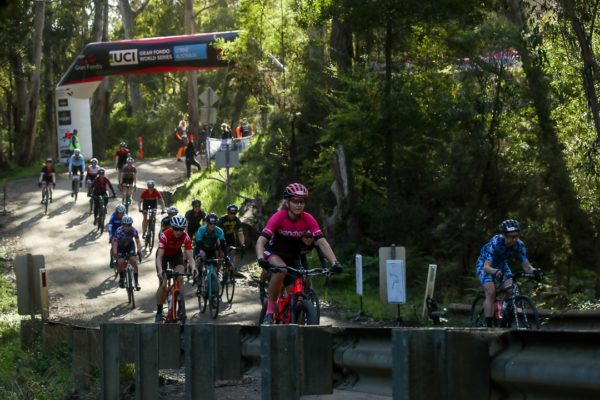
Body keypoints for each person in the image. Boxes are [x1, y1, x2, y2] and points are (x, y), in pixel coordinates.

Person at [255, 183, 342, 324]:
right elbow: (260, 241)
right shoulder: (278, 217)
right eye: (295, 201)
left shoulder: (308, 219)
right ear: (287, 202)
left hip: (293, 257)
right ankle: (269, 313)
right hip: (273, 253)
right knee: (281, 270)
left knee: (296, 296)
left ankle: (295, 324)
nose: (298, 205)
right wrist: (260, 258)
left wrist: (334, 262)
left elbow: (322, 242)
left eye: (302, 202)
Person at [475, 219, 539, 328]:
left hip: (501, 265)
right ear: (504, 235)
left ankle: (501, 309)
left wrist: (535, 272)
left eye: (516, 236)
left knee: (509, 289)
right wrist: (495, 272)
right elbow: (486, 267)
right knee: (491, 292)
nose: (514, 239)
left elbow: (526, 266)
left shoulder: (519, 245)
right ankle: (488, 326)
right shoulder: (496, 242)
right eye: (511, 237)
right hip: (485, 265)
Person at [155, 215, 197, 322]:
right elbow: (159, 257)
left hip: (176, 255)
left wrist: (194, 268)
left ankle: (181, 307)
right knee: (163, 284)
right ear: (172, 227)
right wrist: (160, 271)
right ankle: (159, 312)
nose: (179, 231)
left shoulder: (185, 236)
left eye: (181, 229)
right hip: (164, 256)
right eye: (176, 229)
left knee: (180, 278)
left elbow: (189, 256)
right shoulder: (165, 235)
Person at [112, 215, 143, 290]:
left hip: (130, 246)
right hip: (121, 247)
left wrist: (139, 250)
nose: (127, 227)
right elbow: (115, 243)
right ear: (122, 224)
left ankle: (136, 282)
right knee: (120, 262)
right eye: (125, 225)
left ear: (131, 225)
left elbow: (138, 241)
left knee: (134, 261)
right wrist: (115, 252)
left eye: (129, 225)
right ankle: (122, 278)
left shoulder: (133, 230)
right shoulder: (118, 231)